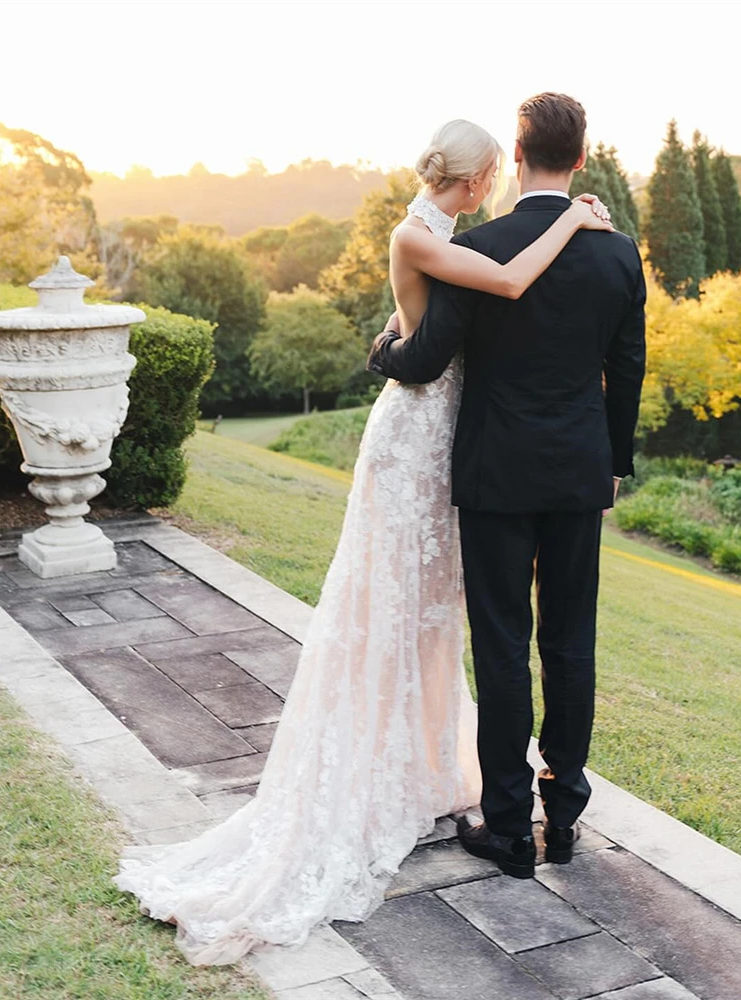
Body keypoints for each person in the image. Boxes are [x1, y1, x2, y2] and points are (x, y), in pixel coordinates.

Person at [114, 116, 614, 965]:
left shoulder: (445, 227)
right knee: (404, 608)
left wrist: (391, 344)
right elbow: (493, 300)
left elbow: (417, 336)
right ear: (481, 175)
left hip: (457, 443)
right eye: (489, 174)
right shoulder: (421, 234)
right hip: (425, 442)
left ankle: (417, 765)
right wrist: (570, 217)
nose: (496, 184)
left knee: (433, 615)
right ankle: (386, 776)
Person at [368, 92, 647, 879]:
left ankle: (507, 827)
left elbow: (427, 358)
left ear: (517, 158)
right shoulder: (618, 253)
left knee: (501, 645)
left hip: (493, 471)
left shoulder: (481, 247)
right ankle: (562, 816)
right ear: (582, 159)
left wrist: (384, 349)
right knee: (570, 641)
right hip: (576, 473)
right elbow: (625, 371)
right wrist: (613, 463)